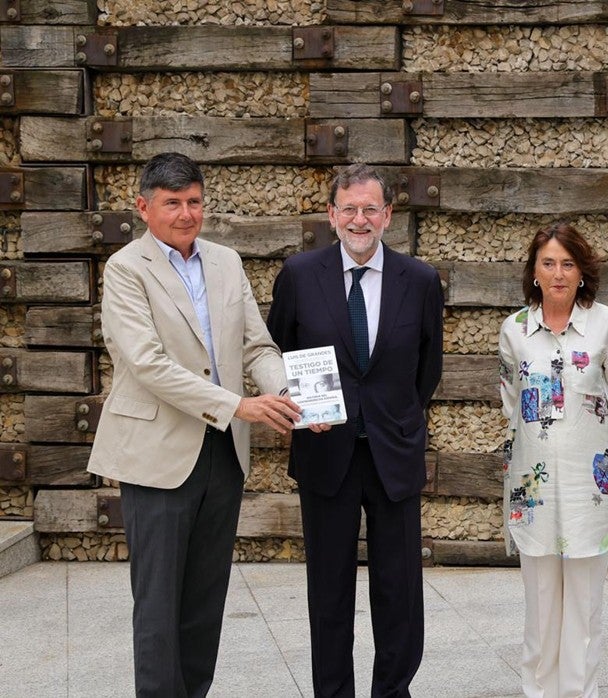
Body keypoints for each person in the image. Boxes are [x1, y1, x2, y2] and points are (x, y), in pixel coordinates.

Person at [87, 152, 302, 697]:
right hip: (157, 454)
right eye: (172, 203)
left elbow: (257, 345)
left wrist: (285, 393)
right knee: (158, 606)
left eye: (195, 202)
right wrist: (238, 406)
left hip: (223, 456)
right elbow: (148, 364)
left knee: (205, 601)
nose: (186, 214)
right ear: (143, 207)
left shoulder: (226, 262)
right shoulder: (125, 269)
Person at [267, 163, 444, 697]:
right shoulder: (299, 275)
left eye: (370, 209)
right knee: (329, 592)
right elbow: (275, 352)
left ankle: (392, 692)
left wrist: (395, 418)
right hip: (326, 455)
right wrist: (295, 404)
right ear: (331, 214)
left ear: (388, 215)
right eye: (349, 209)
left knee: (399, 592)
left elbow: (426, 370)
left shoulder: (420, 280)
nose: (359, 219)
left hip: (394, 455)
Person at [497, 223, 608, 698]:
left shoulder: (605, 324)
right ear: (534, 271)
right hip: (532, 494)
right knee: (540, 609)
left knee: (584, 610)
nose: (558, 273)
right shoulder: (513, 331)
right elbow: (512, 404)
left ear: (582, 272)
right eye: (548, 263)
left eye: (568, 264)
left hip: (589, 490)